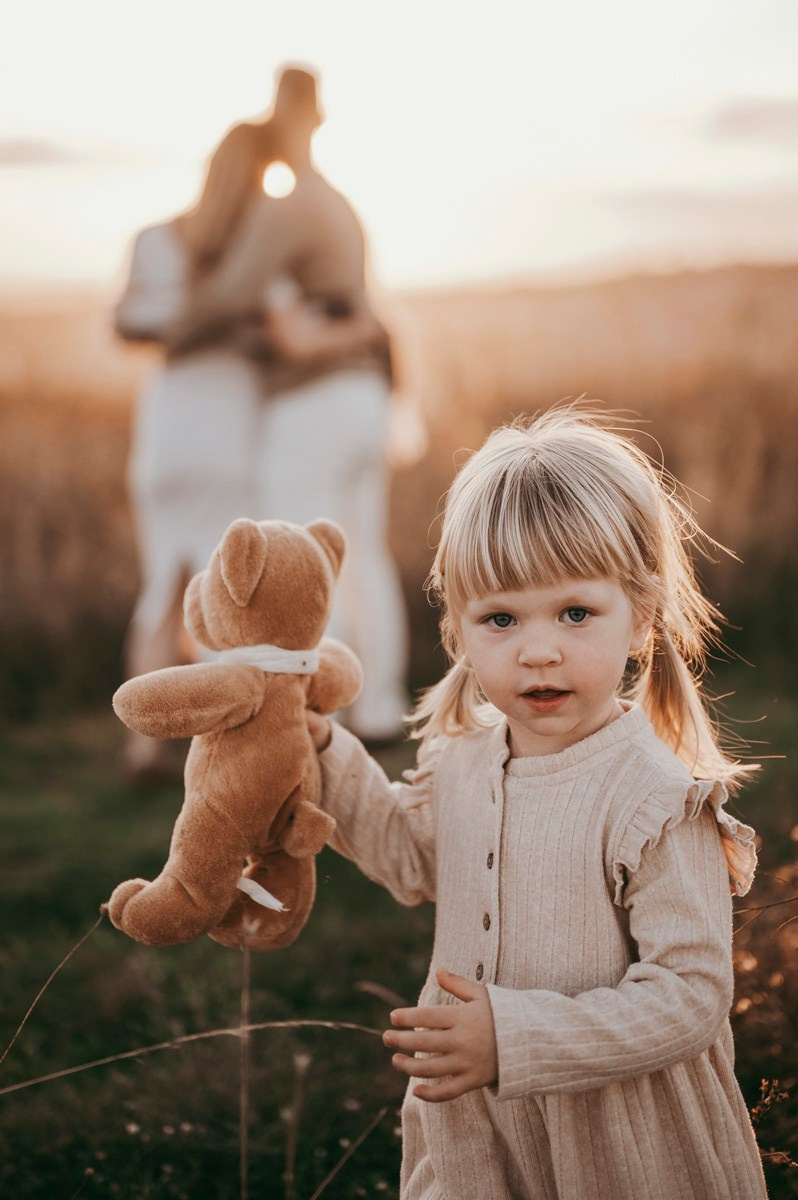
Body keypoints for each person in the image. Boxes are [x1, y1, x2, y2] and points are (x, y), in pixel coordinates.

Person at [306, 405, 766, 1199]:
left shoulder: (653, 799)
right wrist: (318, 748)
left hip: (622, 1147)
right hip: (482, 1138)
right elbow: (408, 856)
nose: (539, 647)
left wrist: (513, 1037)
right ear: (458, 631)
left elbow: (691, 996)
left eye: (576, 613)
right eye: (500, 618)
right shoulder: (462, 762)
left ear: (642, 617)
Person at [166, 65, 409, 747]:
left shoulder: (287, 208)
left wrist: (181, 314)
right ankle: (381, 707)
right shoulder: (341, 205)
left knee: (301, 564)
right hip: (365, 399)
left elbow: (226, 295)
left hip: (314, 407)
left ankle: (309, 718)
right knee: (366, 557)